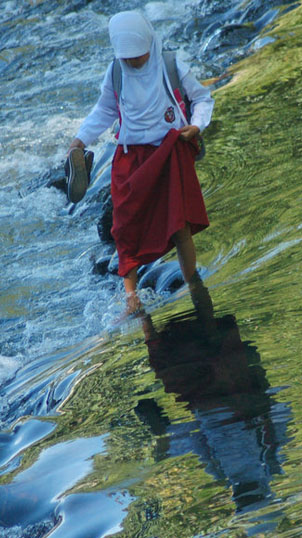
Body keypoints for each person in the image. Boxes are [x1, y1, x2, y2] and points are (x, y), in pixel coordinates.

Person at [67, 10, 214, 312]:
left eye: (139, 55)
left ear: (150, 41)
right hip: (130, 159)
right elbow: (105, 110)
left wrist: (196, 125)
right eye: (128, 57)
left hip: (169, 153)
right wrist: (81, 140)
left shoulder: (171, 64)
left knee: (179, 223)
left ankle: (193, 281)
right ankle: (131, 298)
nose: (134, 62)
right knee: (126, 226)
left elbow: (202, 98)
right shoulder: (116, 72)